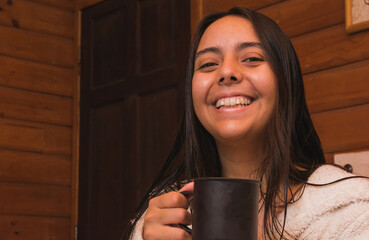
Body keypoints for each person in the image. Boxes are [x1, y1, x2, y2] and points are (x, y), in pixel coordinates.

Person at [125, 7, 369, 240]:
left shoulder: (351, 209)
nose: (227, 72)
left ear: (285, 82)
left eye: (251, 58)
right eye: (208, 64)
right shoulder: (164, 218)